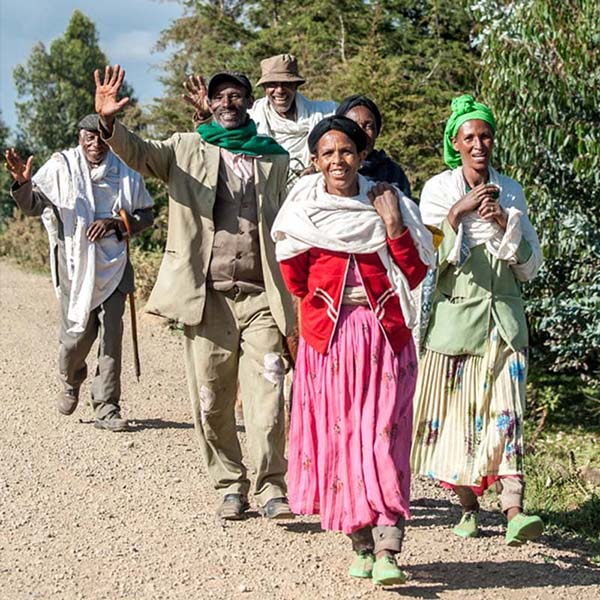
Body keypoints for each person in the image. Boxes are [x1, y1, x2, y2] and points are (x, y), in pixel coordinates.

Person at [94, 65, 296, 520]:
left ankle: (271, 488)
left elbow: (292, 218)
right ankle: (229, 483)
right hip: (208, 298)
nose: (228, 102)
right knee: (211, 400)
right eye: (220, 95)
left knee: (268, 398)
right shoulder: (186, 149)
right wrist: (108, 123)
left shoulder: (273, 158)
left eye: (236, 96)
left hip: (262, 296)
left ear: (249, 103)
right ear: (210, 102)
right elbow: (140, 153)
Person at [272, 116, 435, 585]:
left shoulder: (387, 202)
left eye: (346, 151)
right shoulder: (304, 209)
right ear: (316, 161)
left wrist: (392, 226)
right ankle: (360, 542)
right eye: (328, 153)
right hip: (331, 342)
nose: (338, 160)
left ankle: (389, 544)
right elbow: (296, 280)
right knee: (344, 442)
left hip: (385, 338)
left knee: (382, 435)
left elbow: (416, 271)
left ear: (362, 155)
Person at [410, 94, 544, 546]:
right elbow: (425, 258)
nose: (479, 143)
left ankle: (514, 510)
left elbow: (529, 265)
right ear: (456, 143)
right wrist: (458, 214)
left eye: (485, 134)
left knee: (508, 415)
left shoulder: (511, 191)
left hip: (505, 324)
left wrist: (505, 221)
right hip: (455, 325)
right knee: (458, 424)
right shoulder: (437, 190)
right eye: (469, 136)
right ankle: (467, 508)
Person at [5, 115, 154, 432]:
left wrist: (116, 224)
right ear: (80, 138)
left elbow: (146, 214)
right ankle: (72, 379)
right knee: (75, 340)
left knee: (111, 340)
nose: (96, 144)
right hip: (74, 268)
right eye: (90, 137)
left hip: (115, 268)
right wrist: (21, 182)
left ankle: (107, 407)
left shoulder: (125, 171)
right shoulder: (61, 167)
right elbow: (33, 206)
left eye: (102, 138)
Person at [183, 54, 337, 181]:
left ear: (296, 85)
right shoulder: (250, 116)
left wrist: (318, 168)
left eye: (286, 84)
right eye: (272, 84)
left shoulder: (326, 114)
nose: (279, 90)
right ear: (264, 88)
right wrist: (204, 115)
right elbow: (219, 140)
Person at [336, 94, 411, 197]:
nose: (361, 133)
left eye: (368, 126)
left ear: (377, 131)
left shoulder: (392, 172)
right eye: (353, 126)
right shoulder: (333, 168)